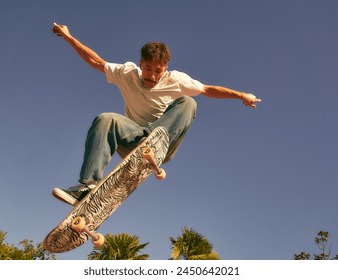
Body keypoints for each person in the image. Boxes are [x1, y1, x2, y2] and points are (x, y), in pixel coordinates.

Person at [51, 23, 261, 206]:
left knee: (188, 102)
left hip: (163, 143)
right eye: (148, 68)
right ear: (140, 63)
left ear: (165, 69)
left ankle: (153, 142)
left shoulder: (176, 80)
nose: (151, 76)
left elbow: (207, 90)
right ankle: (88, 186)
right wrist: (69, 37)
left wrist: (241, 95)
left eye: (158, 70)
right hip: (133, 140)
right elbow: (96, 61)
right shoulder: (127, 72)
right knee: (105, 119)